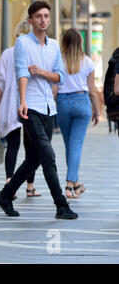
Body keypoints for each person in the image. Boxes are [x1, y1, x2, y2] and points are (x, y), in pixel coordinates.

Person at [0, 0, 78, 220]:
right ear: (31, 21)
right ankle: (61, 205)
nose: (43, 20)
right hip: (30, 106)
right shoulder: (23, 43)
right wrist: (22, 100)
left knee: (34, 159)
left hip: (49, 107)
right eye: (39, 16)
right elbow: (22, 71)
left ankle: (5, 195)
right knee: (48, 156)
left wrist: (40, 72)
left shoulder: (53, 46)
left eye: (46, 16)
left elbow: (60, 76)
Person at [0, 21, 40, 199]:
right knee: (31, 147)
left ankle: (9, 182)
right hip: (31, 103)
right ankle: (30, 186)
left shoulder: (7, 53)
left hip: (10, 104)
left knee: (13, 145)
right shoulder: (34, 52)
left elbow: (0, 85)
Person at [53, 28, 100, 198]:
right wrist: (97, 110)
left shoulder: (59, 61)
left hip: (63, 104)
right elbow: (93, 91)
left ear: (64, 42)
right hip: (82, 102)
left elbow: (55, 89)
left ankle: (75, 184)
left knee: (70, 146)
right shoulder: (88, 62)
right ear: (80, 42)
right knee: (75, 146)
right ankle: (70, 185)